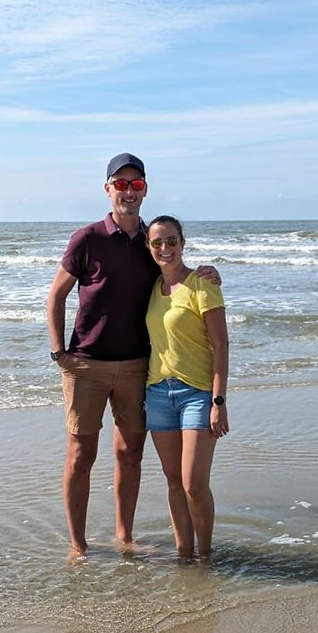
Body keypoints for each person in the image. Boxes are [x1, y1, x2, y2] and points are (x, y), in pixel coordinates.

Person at [46, 153, 219, 561]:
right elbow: (56, 296)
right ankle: (79, 545)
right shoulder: (86, 238)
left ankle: (124, 536)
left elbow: (174, 269)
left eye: (136, 184)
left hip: (139, 368)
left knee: (129, 453)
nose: (128, 191)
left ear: (144, 190)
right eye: (119, 184)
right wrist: (59, 353)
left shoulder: (149, 241)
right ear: (107, 189)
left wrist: (206, 272)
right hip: (85, 364)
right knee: (80, 454)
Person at [143, 215, 229, 559]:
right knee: (174, 482)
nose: (165, 249)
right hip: (158, 394)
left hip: (197, 394)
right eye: (157, 243)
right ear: (149, 247)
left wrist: (219, 401)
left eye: (172, 241)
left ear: (183, 243)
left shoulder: (203, 284)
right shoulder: (151, 288)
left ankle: (206, 556)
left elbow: (221, 344)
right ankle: (184, 555)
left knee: (193, 483)